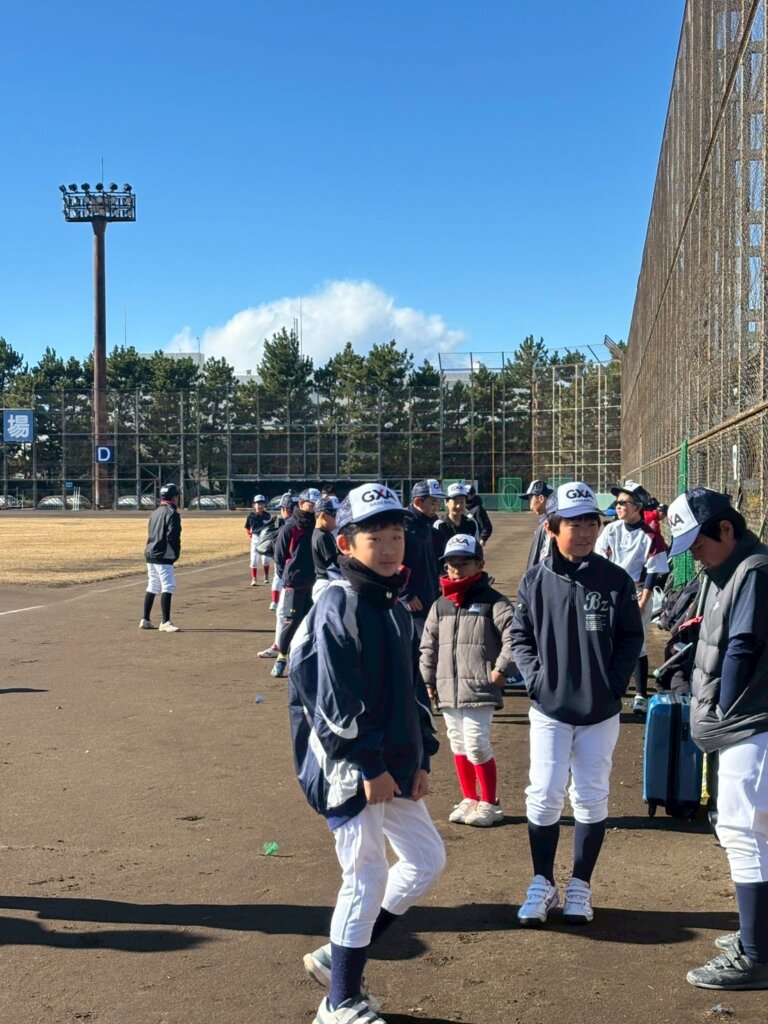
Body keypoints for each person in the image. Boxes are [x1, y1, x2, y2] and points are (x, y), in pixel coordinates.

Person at [289, 483, 445, 1024]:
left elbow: (410, 690)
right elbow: (332, 701)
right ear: (346, 543)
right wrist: (370, 765)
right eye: (374, 537)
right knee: (366, 876)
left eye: (396, 535)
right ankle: (340, 1002)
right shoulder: (339, 603)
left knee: (425, 860)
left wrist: (421, 757)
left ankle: (336, 961)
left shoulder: (392, 604)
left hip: (392, 761)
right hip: (349, 766)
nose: (389, 547)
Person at [511, 482, 644, 926]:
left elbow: (631, 638)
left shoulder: (615, 580)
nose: (585, 531)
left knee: (590, 796)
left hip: (599, 710)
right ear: (552, 528)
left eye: (591, 522)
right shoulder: (535, 580)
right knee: (544, 792)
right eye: (574, 523)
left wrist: (613, 684)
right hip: (550, 708)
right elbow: (520, 636)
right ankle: (542, 882)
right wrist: (536, 680)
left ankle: (581, 885)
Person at [665, 487, 768, 991]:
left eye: (699, 543)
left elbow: (742, 646)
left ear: (726, 528)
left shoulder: (753, 570)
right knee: (751, 831)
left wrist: (722, 708)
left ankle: (757, 956)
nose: (696, 554)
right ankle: (758, 936)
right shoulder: (731, 570)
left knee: (744, 831)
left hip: (752, 721)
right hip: (747, 721)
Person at [420, 534, 514, 827]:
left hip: (479, 687)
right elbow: (428, 645)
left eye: (463, 563)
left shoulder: (494, 601)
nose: (456, 570)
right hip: (448, 688)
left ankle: (490, 802)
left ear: (479, 565)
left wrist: (501, 669)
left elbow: (515, 636)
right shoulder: (441, 604)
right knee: (458, 743)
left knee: (476, 744)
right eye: (451, 564)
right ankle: (470, 798)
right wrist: (427, 679)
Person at [593, 478, 669, 714]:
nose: (618, 506)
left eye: (624, 502)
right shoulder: (611, 529)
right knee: (607, 638)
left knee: (638, 643)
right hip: (611, 590)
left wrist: (643, 601)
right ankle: (611, 685)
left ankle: (641, 694)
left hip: (636, 591)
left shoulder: (650, 536)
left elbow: (653, 572)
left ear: (637, 507)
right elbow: (600, 559)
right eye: (617, 502)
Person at [271, 487, 320, 677]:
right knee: (291, 621)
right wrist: (288, 576)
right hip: (293, 583)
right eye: (311, 504)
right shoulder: (291, 526)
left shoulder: (317, 525)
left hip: (313, 581)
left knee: (310, 621)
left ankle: (304, 658)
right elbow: (279, 556)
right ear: (301, 503)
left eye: (316, 504)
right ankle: (281, 657)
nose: (314, 507)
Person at [402, 479, 446, 639]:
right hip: (412, 601)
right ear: (417, 502)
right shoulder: (403, 526)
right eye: (433, 503)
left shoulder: (429, 523)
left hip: (429, 594)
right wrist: (406, 594)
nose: (436, 507)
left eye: (438, 503)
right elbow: (393, 563)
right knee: (420, 642)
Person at [140, 483, 182, 633]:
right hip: (163, 553)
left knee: (153, 585)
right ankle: (165, 621)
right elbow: (173, 535)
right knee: (168, 585)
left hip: (151, 552)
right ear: (174, 497)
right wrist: (175, 552)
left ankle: (145, 618)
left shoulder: (155, 512)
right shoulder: (172, 513)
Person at [258, 492, 296, 658]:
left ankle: (281, 647)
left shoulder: (287, 527)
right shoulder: (309, 524)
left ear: (285, 509)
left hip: (291, 579)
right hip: (306, 577)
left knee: (284, 614)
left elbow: (268, 549)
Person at [432, 482, 479, 559]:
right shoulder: (439, 525)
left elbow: (476, 549)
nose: (458, 506)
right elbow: (434, 552)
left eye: (462, 502)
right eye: (455, 501)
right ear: (446, 502)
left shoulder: (471, 523)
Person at [312, 496, 340, 602]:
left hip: (326, 582)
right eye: (335, 515)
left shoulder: (324, 534)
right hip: (326, 583)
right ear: (323, 515)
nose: (338, 519)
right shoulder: (322, 536)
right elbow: (334, 563)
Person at [523, 480, 554, 570]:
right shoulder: (549, 518)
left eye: (530, 500)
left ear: (541, 498)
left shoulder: (551, 521)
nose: (530, 506)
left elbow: (546, 558)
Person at [244, 494, 274, 587]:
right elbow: (247, 527)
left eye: (262, 504)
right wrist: (250, 536)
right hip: (256, 538)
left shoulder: (267, 515)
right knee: (254, 560)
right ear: (254, 505)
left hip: (265, 539)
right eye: (258, 504)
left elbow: (270, 527)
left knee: (266, 560)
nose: (260, 506)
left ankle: (266, 576)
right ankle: (254, 578)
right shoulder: (251, 516)